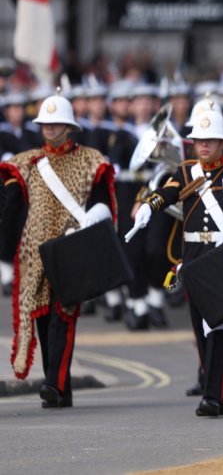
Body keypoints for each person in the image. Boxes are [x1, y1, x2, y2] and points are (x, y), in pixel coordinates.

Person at [130, 107, 223, 417]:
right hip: (193, 261)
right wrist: (150, 207)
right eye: (198, 141)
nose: (203, 146)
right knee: (200, 329)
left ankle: (211, 395)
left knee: (218, 326)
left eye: (210, 140)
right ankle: (218, 393)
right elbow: (168, 193)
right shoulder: (184, 171)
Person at [0, 90, 116, 407]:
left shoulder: (91, 160)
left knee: (63, 316)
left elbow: (104, 202)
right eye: (45, 124)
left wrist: (94, 216)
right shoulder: (27, 162)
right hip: (36, 253)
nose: (50, 129)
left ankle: (54, 383)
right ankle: (60, 389)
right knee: (43, 317)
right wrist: (5, 252)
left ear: (69, 125)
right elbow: (10, 208)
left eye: (56, 124)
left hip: (71, 249)